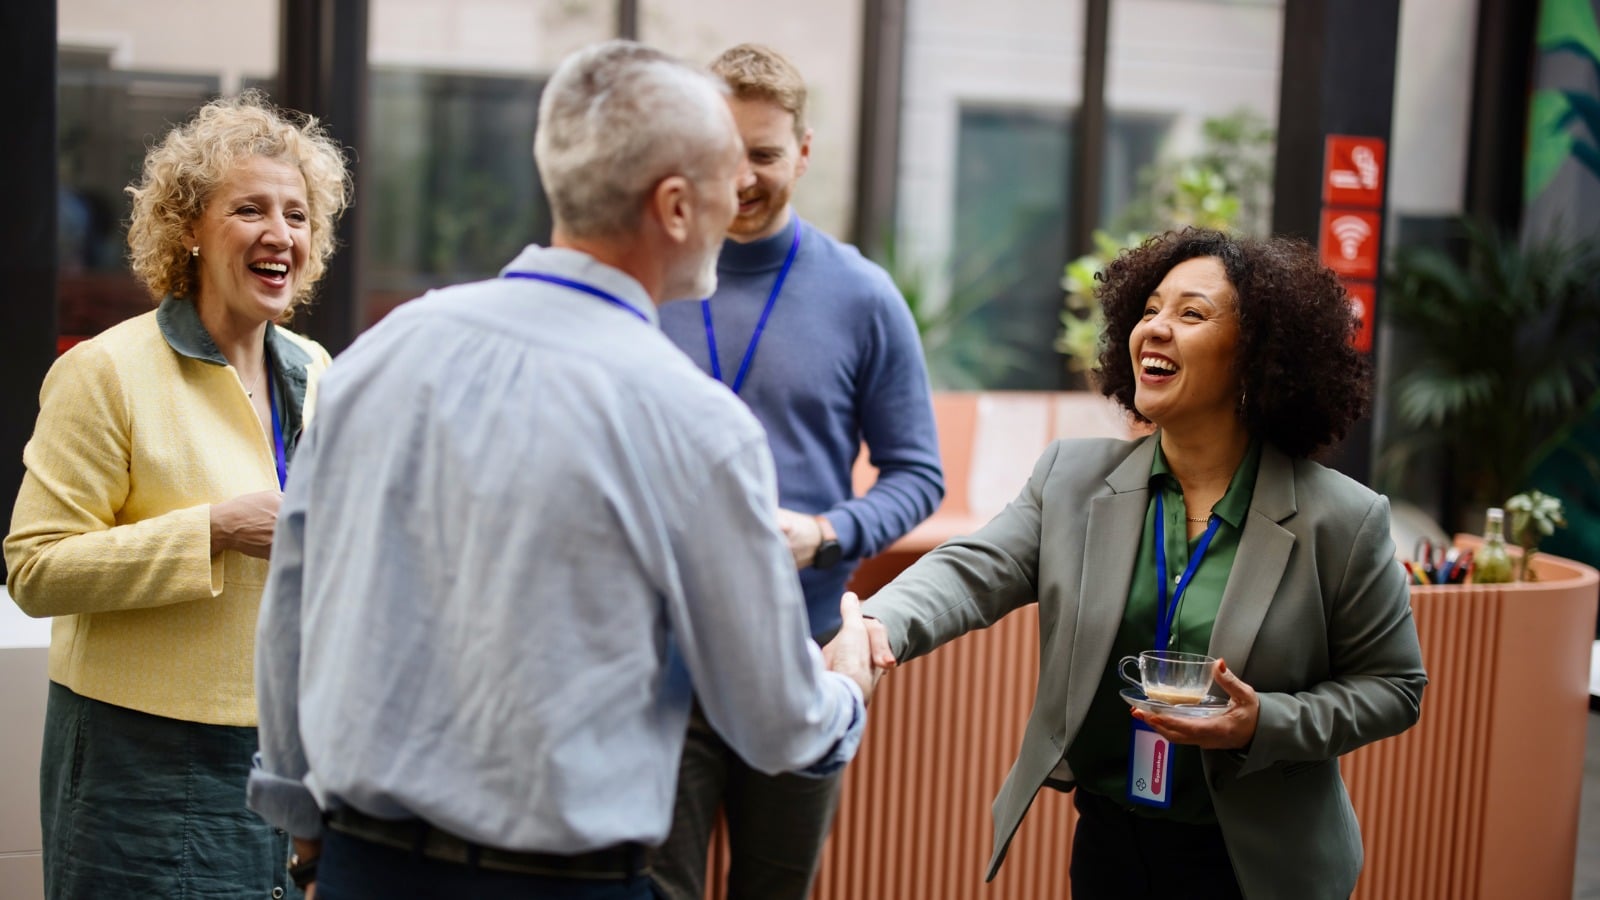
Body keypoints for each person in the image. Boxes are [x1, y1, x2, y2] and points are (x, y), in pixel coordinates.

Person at [246, 40, 882, 900]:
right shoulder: (695, 425)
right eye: (727, 176)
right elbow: (776, 727)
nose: (742, 195)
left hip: (359, 870)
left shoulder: (383, 351)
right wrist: (844, 685)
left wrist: (309, 846)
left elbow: (292, 606)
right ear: (674, 205)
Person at [861, 228, 1427, 900]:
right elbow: (969, 569)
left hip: (1256, 866)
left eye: (1190, 314)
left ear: (1258, 356)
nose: (1155, 328)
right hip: (1111, 845)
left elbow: (1394, 688)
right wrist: (877, 624)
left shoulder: (1343, 519)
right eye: (1150, 309)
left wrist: (1262, 723)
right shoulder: (1070, 478)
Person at [5, 91, 349, 899]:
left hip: (284, 756)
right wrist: (214, 530)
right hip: (140, 763)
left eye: (297, 215)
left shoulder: (319, 371)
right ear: (189, 227)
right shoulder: (106, 372)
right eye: (250, 209)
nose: (280, 234)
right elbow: (35, 568)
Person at [651, 42, 944, 900]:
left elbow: (917, 476)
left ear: (804, 154)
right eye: (722, 150)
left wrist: (826, 534)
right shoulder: (646, 277)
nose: (742, 176)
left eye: (766, 155)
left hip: (805, 658)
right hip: (661, 652)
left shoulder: (862, 295)